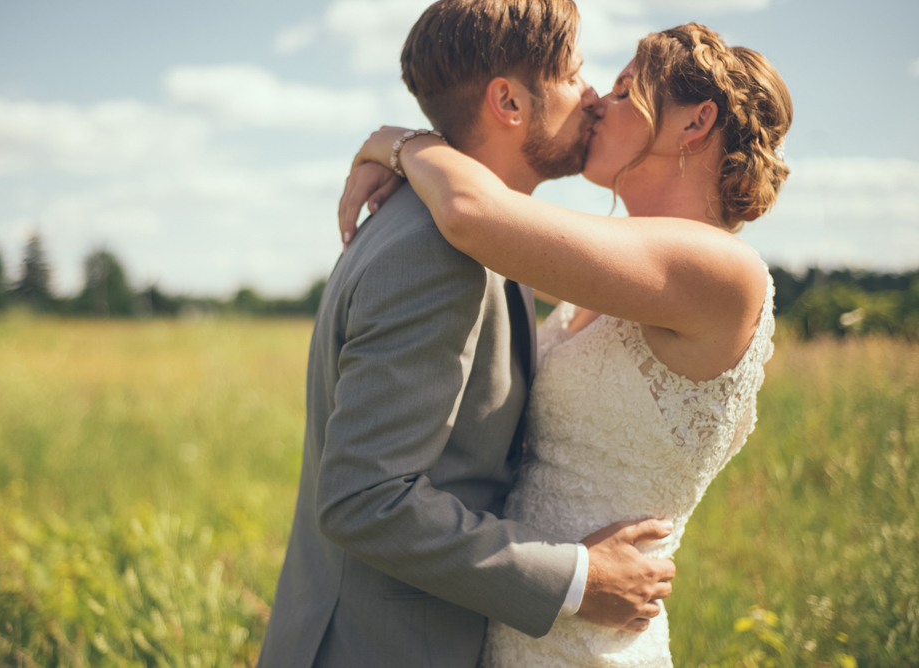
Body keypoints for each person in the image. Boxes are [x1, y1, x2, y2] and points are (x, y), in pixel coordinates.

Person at [339, 21, 791, 668]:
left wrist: (400, 142)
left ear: (695, 123)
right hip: (522, 615)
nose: (595, 103)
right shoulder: (602, 284)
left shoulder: (725, 273)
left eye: (625, 90)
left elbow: (471, 214)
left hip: (594, 641)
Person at [257, 2, 678, 667]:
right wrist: (578, 580)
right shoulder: (435, 252)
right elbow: (365, 498)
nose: (593, 95)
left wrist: (399, 142)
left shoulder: (472, 235)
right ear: (508, 101)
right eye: (574, 75)